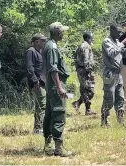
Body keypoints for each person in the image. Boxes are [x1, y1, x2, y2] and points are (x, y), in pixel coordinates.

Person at [43, 22, 74, 157]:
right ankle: (58, 148)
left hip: (52, 85)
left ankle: (48, 145)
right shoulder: (52, 47)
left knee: (50, 114)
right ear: (57, 32)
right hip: (56, 85)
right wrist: (60, 87)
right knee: (59, 114)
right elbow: (53, 69)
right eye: (62, 31)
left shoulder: (49, 44)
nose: (63, 33)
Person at [101, 24, 126, 127]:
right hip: (109, 73)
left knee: (120, 98)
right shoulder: (107, 41)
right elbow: (112, 53)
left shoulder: (117, 42)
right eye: (118, 32)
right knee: (109, 98)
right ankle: (104, 120)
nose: (120, 34)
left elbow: (124, 54)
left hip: (119, 73)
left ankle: (121, 120)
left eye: (120, 32)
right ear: (111, 30)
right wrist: (123, 43)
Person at [26, 33, 47, 134]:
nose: (44, 42)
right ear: (37, 41)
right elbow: (30, 67)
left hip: (43, 81)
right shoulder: (31, 51)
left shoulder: (41, 51)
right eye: (42, 40)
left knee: (39, 105)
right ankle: (41, 127)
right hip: (37, 82)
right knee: (42, 104)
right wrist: (35, 80)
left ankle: (37, 128)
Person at [71, 32, 97, 116]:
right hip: (84, 70)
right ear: (88, 38)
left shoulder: (81, 46)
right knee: (89, 90)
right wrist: (88, 70)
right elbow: (86, 60)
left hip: (80, 70)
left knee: (85, 90)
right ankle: (85, 108)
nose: (92, 39)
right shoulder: (86, 46)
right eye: (92, 37)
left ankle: (79, 104)